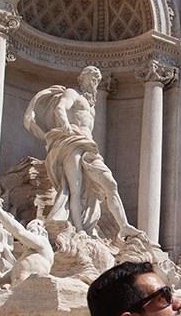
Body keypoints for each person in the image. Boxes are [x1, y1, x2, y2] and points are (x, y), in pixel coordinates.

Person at [24, 66, 141, 242]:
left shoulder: (92, 106)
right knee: (75, 189)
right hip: (71, 142)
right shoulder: (72, 93)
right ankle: (79, 230)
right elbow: (60, 108)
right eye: (90, 77)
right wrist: (65, 125)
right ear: (82, 78)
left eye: (96, 79)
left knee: (110, 184)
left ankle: (123, 226)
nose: (93, 82)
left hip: (88, 148)